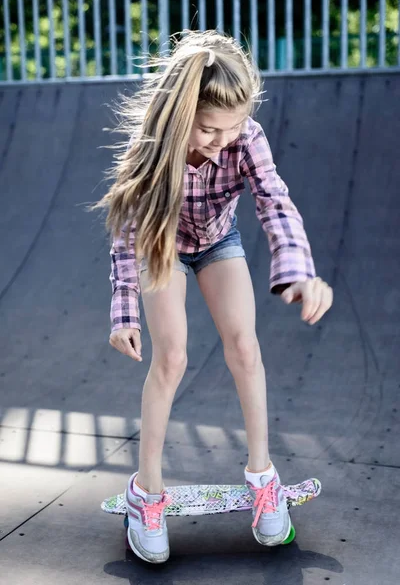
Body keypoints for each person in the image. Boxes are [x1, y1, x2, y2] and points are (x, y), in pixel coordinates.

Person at [91, 30, 333, 563]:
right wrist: (124, 309)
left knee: (245, 347)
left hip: (218, 238)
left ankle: (262, 477)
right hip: (161, 242)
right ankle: (146, 493)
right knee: (172, 355)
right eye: (207, 128)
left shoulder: (245, 136)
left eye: (231, 127)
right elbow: (127, 233)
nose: (220, 139)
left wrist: (298, 272)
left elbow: (274, 201)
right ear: (182, 113)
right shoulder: (153, 147)